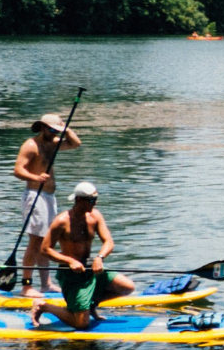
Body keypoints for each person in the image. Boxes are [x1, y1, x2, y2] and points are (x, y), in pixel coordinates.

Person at [29, 183, 135, 330]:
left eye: (96, 199)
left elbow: (109, 242)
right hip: (71, 274)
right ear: (79, 200)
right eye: (91, 200)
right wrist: (70, 261)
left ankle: (89, 305)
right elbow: (45, 249)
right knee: (82, 324)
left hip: (91, 267)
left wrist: (99, 257)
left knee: (127, 287)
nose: (95, 203)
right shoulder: (62, 221)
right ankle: (43, 306)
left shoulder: (95, 216)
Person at [13, 112, 82, 298]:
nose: (54, 133)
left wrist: (66, 129)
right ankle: (26, 286)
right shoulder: (31, 145)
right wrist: (35, 177)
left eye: (56, 130)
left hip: (49, 197)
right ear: (42, 127)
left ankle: (46, 284)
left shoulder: (53, 143)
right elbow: (18, 170)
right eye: (51, 129)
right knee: (35, 241)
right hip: (35, 196)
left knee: (47, 242)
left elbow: (76, 143)